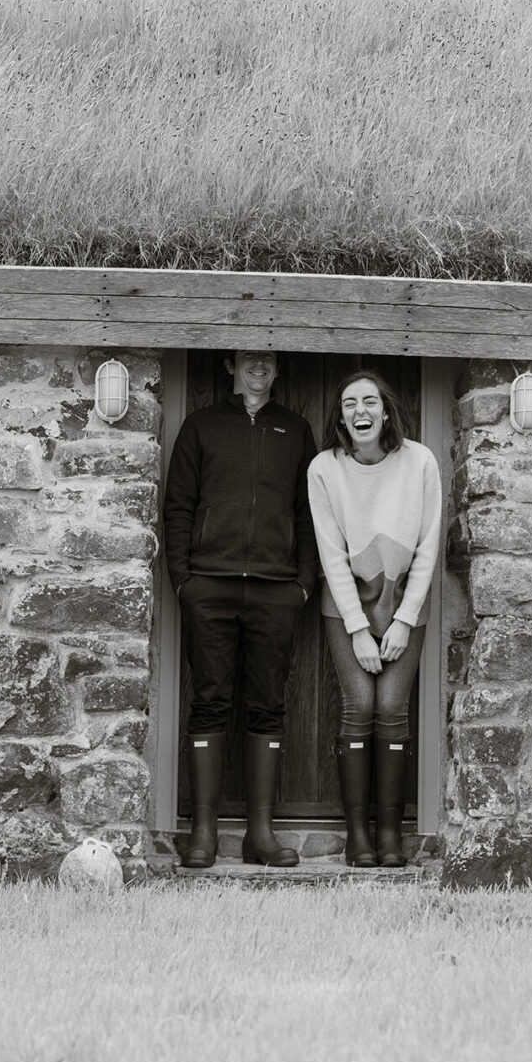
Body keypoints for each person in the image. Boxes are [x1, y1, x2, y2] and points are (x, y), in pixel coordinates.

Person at [164, 349, 317, 869]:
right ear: (231, 365)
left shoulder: (295, 431)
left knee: (267, 704)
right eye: (249, 357)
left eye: (268, 358)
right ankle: (202, 833)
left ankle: (260, 834)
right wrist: (184, 580)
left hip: (276, 590)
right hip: (209, 584)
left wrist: (302, 584)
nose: (258, 365)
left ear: (277, 368)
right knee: (209, 700)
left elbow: (307, 513)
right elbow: (179, 505)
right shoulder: (201, 425)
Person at [307, 370, 442, 867]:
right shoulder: (325, 469)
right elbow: (331, 556)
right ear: (340, 415)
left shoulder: (420, 462)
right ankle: (358, 836)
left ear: (386, 410)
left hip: (407, 598)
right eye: (349, 404)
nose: (359, 412)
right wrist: (358, 629)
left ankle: (390, 836)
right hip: (347, 605)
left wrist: (405, 619)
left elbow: (428, 548)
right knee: (359, 705)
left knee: (392, 708)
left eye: (369, 402)